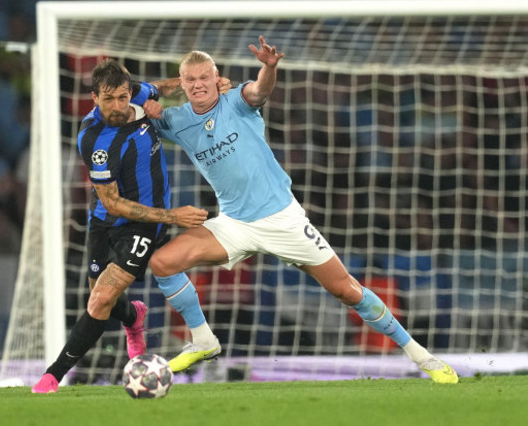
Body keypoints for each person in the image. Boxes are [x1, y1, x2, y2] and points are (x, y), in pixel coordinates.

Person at [147, 36, 458, 384]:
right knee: (162, 262)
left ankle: (422, 356)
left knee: (346, 291)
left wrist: (269, 66)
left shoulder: (236, 100)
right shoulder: (173, 121)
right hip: (234, 223)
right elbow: (126, 100)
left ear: (217, 76)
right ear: (181, 84)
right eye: (190, 80)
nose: (198, 84)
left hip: (282, 218)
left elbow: (259, 92)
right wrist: (150, 106)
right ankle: (203, 340)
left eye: (205, 77)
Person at [31, 59, 209, 393]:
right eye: (108, 99)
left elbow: (162, 86)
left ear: (130, 92)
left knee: (99, 301)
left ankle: (53, 375)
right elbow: (112, 202)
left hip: (145, 223)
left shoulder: (137, 94)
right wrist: (175, 216)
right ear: (94, 97)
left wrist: (199, 87)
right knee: (101, 301)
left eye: (122, 97)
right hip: (106, 220)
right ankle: (134, 318)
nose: (117, 106)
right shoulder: (95, 141)